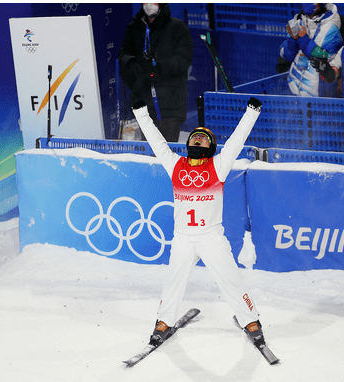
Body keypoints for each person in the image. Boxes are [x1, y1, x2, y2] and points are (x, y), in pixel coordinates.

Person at [131, 96, 267, 348]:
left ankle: (251, 321)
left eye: (203, 137)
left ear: (211, 146)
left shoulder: (218, 165)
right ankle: (164, 321)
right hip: (182, 237)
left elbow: (237, 140)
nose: (197, 138)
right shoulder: (176, 165)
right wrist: (141, 113)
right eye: (194, 136)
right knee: (174, 280)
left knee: (230, 279)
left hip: (210, 237)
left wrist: (251, 112)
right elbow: (156, 140)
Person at [118, 3, 193, 143]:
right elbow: (124, 52)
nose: (149, 4)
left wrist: (159, 68)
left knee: (167, 151)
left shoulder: (177, 27)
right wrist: (133, 64)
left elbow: (184, 58)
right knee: (148, 149)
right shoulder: (134, 27)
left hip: (170, 101)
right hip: (143, 98)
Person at [276, 3, 343, 98]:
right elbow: (287, 56)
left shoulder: (331, 28)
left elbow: (322, 58)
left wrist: (302, 39)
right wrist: (293, 39)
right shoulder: (299, 21)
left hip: (318, 97)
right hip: (293, 91)